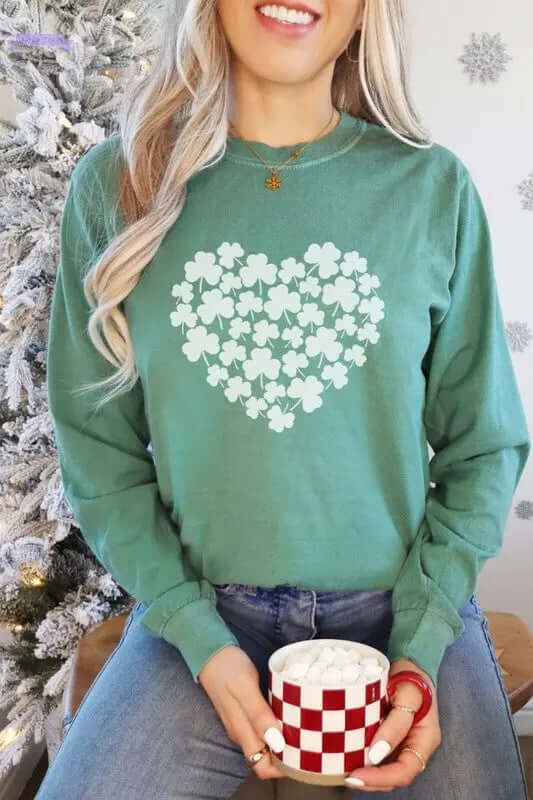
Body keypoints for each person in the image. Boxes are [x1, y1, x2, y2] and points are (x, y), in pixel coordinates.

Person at [37, 0, 530, 797]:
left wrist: (425, 637)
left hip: (403, 609)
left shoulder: (431, 189)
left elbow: (485, 444)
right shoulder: (120, 186)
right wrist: (196, 632)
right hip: (198, 613)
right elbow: (99, 453)